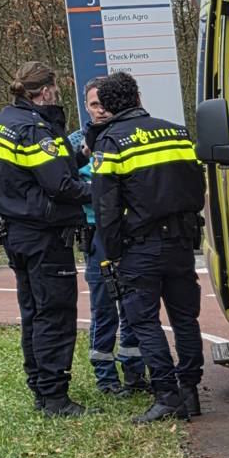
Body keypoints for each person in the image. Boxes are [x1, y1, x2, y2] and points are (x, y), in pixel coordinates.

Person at [89, 71, 206, 424]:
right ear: (138, 97)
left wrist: (110, 255)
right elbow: (196, 187)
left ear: (107, 105)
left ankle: (166, 395)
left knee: (144, 321)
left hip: (139, 247)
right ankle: (190, 391)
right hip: (182, 241)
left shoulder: (110, 142)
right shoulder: (177, 132)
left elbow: (105, 208)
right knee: (185, 318)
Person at [0, 61, 90, 416]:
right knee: (55, 313)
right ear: (45, 90)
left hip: (16, 232)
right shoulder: (35, 128)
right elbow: (59, 184)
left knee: (33, 311)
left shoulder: (3, 121)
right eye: (55, 88)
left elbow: (34, 170)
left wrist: (78, 154)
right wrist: (99, 190)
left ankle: (40, 389)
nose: (56, 94)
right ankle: (55, 397)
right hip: (44, 233)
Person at [68, 80, 146, 395]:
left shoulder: (129, 135)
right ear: (86, 107)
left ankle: (135, 374)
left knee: (134, 305)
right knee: (103, 307)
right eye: (94, 105)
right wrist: (104, 195)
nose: (100, 110)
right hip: (96, 233)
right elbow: (67, 185)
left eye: (104, 104)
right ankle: (106, 378)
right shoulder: (75, 142)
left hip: (131, 232)